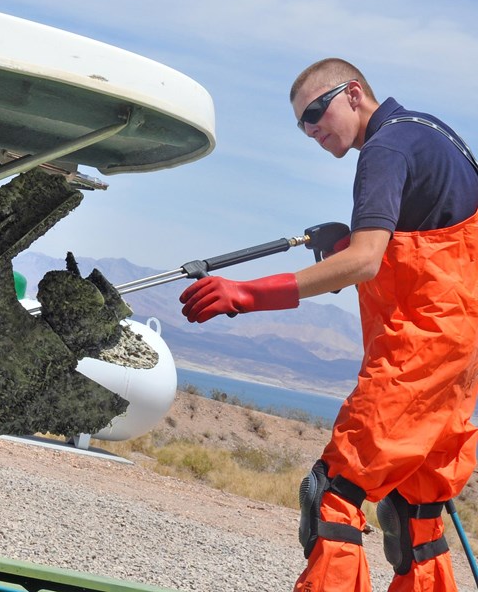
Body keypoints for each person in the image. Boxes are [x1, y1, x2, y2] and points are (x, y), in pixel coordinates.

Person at [179, 57, 478, 592]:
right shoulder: (434, 135)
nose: (313, 130)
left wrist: (246, 294)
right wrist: (345, 243)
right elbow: (436, 251)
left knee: (332, 498)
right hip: (457, 363)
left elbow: (365, 262)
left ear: (355, 93)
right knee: (417, 516)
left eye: (318, 112)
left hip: (416, 357)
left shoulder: (385, 148)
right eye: (303, 125)